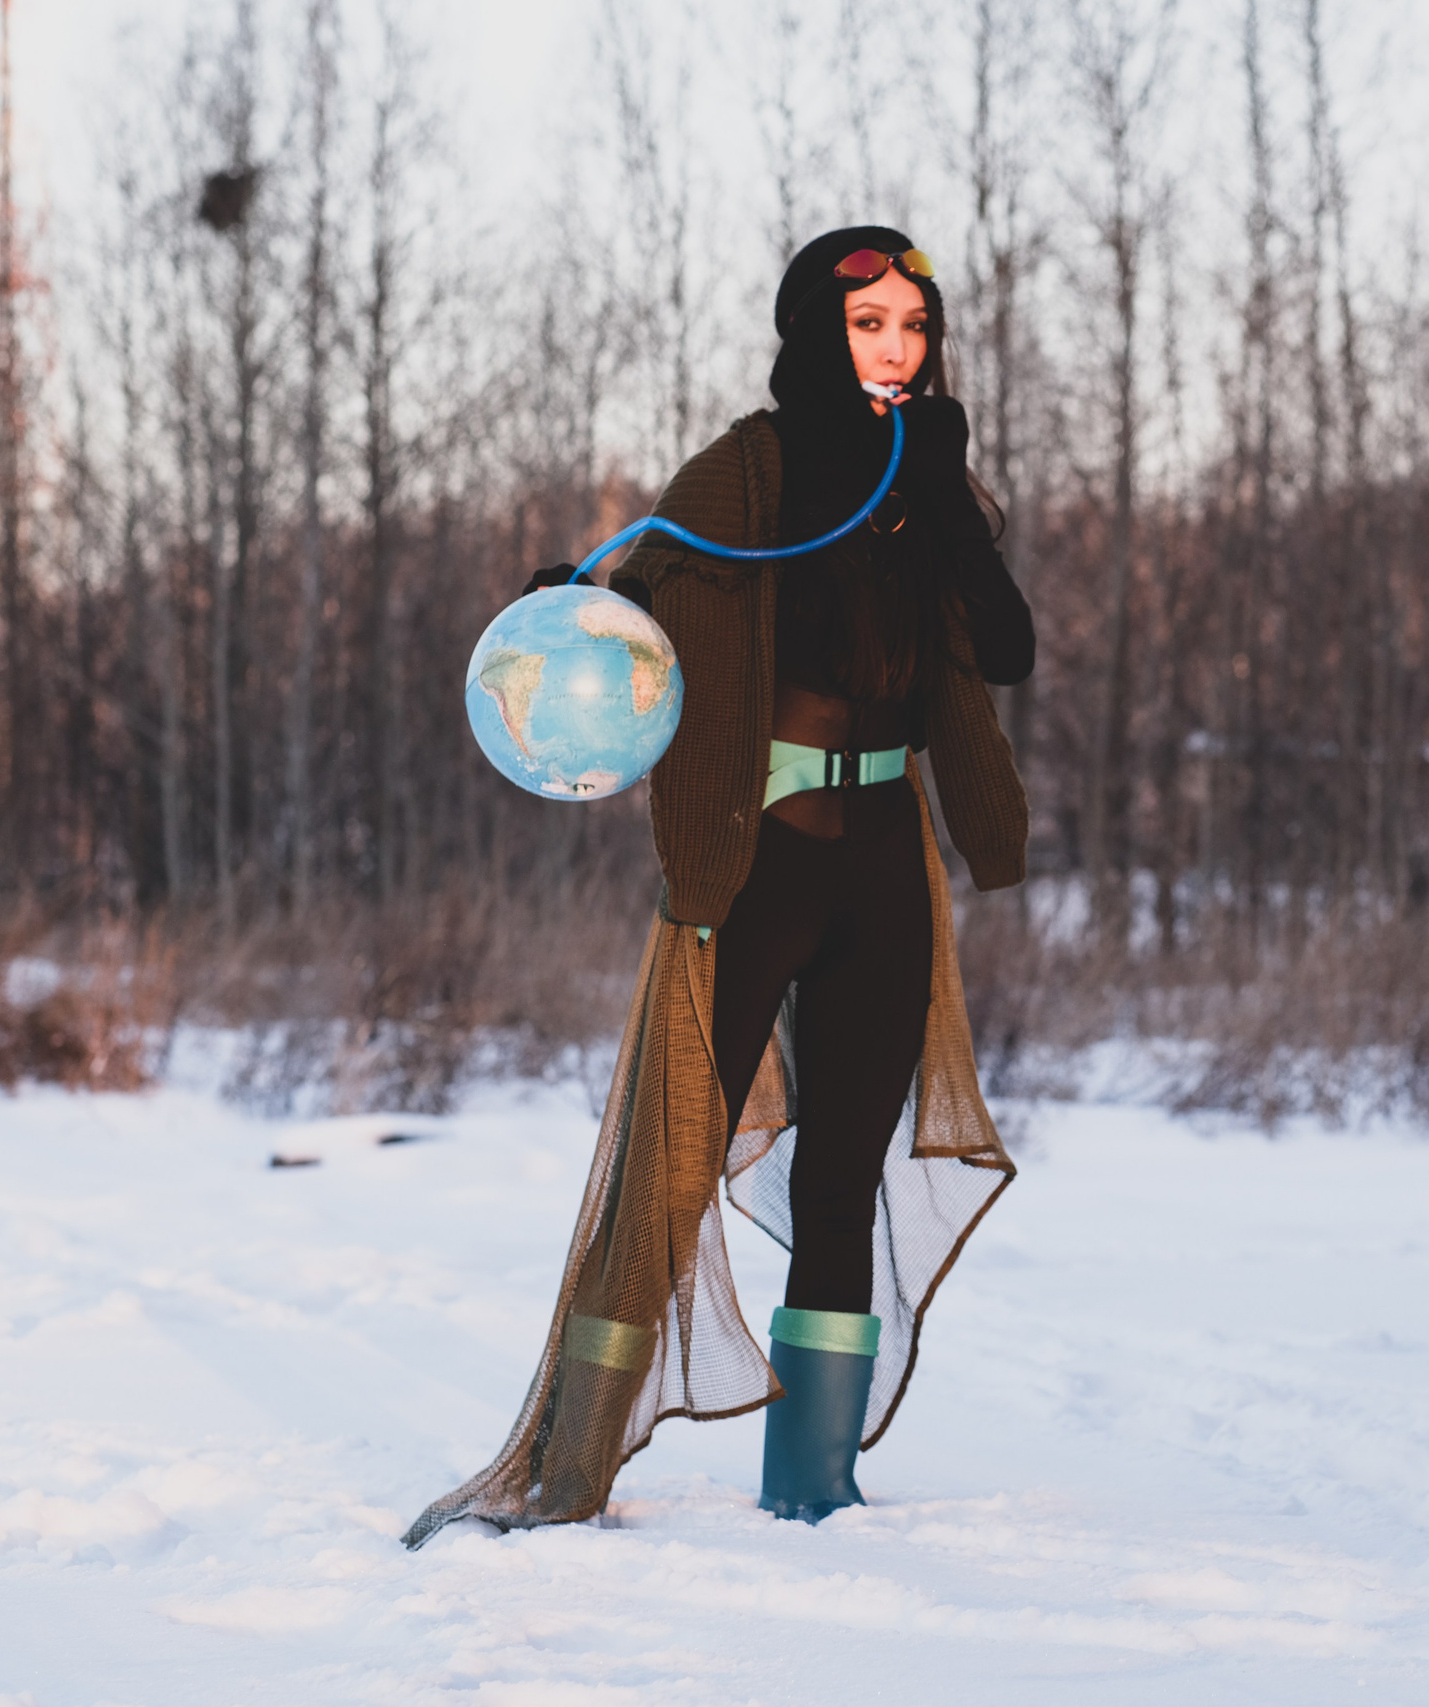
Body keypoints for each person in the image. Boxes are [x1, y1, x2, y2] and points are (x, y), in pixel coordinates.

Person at [404, 227, 1032, 1547]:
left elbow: (1006, 651)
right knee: (671, 1163)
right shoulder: (749, 465)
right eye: (872, 326)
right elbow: (653, 573)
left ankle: (815, 1484)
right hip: (755, 864)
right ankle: (573, 1463)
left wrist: (954, 491)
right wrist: (575, 601)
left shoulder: (923, 489)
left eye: (915, 326)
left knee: (844, 1174)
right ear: (819, 334)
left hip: (883, 865)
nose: (899, 349)